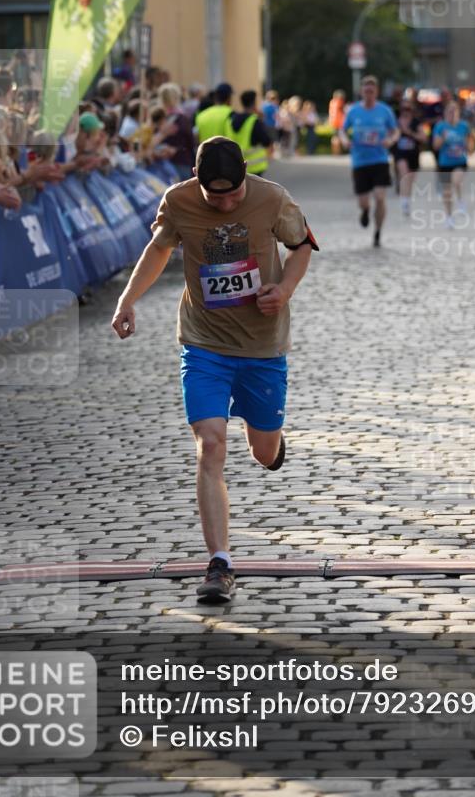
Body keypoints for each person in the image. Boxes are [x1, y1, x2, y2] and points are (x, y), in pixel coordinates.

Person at [111, 137, 318, 604]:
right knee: (210, 444)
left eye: (233, 194)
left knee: (263, 452)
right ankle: (220, 563)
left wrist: (284, 288)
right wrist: (127, 301)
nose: (225, 204)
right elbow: (158, 250)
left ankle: (272, 442)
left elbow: (302, 245)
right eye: (214, 196)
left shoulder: (272, 198)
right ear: (195, 179)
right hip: (203, 343)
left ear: (247, 173)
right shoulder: (178, 201)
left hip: (263, 345)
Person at [340, 76, 398, 247]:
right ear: (361, 92)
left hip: (380, 159)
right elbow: (342, 131)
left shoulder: (385, 111)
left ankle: (378, 232)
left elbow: (395, 131)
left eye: (372, 91)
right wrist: (344, 140)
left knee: (380, 197)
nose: (369, 94)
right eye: (366, 91)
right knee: (363, 201)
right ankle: (365, 211)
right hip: (360, 161)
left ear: (376, 92)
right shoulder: (353, 111)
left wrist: (391, 140)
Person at [433, 100, 471, 227]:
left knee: (457, 180)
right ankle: (449, 217)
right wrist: (443, 138)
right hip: (444, 163)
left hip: (460, 161)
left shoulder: (464, 126)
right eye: (449, 111)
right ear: (445, 113)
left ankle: (460, 200)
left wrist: (468, 146)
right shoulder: (440, 127)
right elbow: (435, 146)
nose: (452, 114)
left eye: (454, 111)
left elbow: (470, 145)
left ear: (458, 113)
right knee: (447, 192)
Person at [227, 89, 273, 176]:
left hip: (237, 165)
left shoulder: (232, 119)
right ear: (254, 103)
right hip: (255, 167)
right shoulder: (254, 121)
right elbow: (266, 141)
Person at [393, 101, 425, 217]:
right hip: (400, 154)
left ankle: (406, 199)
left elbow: (423, 138)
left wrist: (410, 133)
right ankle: (404, 201)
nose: (406, 111)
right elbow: (391, 136)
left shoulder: (416, 123)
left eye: (408, 109)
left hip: (413, 154)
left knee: (410, 180)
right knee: (404, 174)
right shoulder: (396, 122)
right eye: (404, 109)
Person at [158, 83, 196, 180]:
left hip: (161, 162)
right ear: (177, 97)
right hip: (181, 161)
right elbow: (190, 142)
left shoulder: (158, 118)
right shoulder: (182, 118)